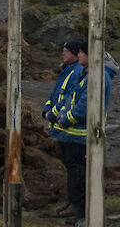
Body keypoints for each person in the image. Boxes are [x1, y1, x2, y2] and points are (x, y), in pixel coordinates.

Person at [41, 37, 89, 219]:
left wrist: (54, 115)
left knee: (76, 169)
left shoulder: (76, 72)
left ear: (77, 54)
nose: (63, 53)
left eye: (67, 50)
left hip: (73, 132)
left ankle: (78, 205)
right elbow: (55, 94)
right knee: (72, 168)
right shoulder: (68, 71)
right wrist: (47, 108)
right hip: (66, 131)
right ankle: (73, 202)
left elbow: (68, 100)